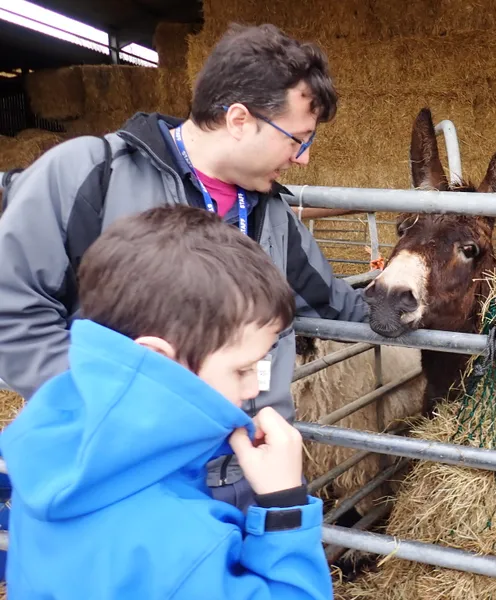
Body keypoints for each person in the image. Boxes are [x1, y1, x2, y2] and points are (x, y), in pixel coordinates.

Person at [0, 23, 370, 511]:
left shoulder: (272, 214)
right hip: (117, 472)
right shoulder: (90, 175)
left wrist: (429, 297)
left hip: (240, 473)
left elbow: (338, 304)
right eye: (297, 139)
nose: (304, 160)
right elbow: (12, 311)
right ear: (239, 119)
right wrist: (123, 405)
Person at [0, 205, 333, 599]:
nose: (252, 391)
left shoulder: (51, 453)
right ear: (161, 359)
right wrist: (284, 507)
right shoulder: (186, 543)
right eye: (243, 370)